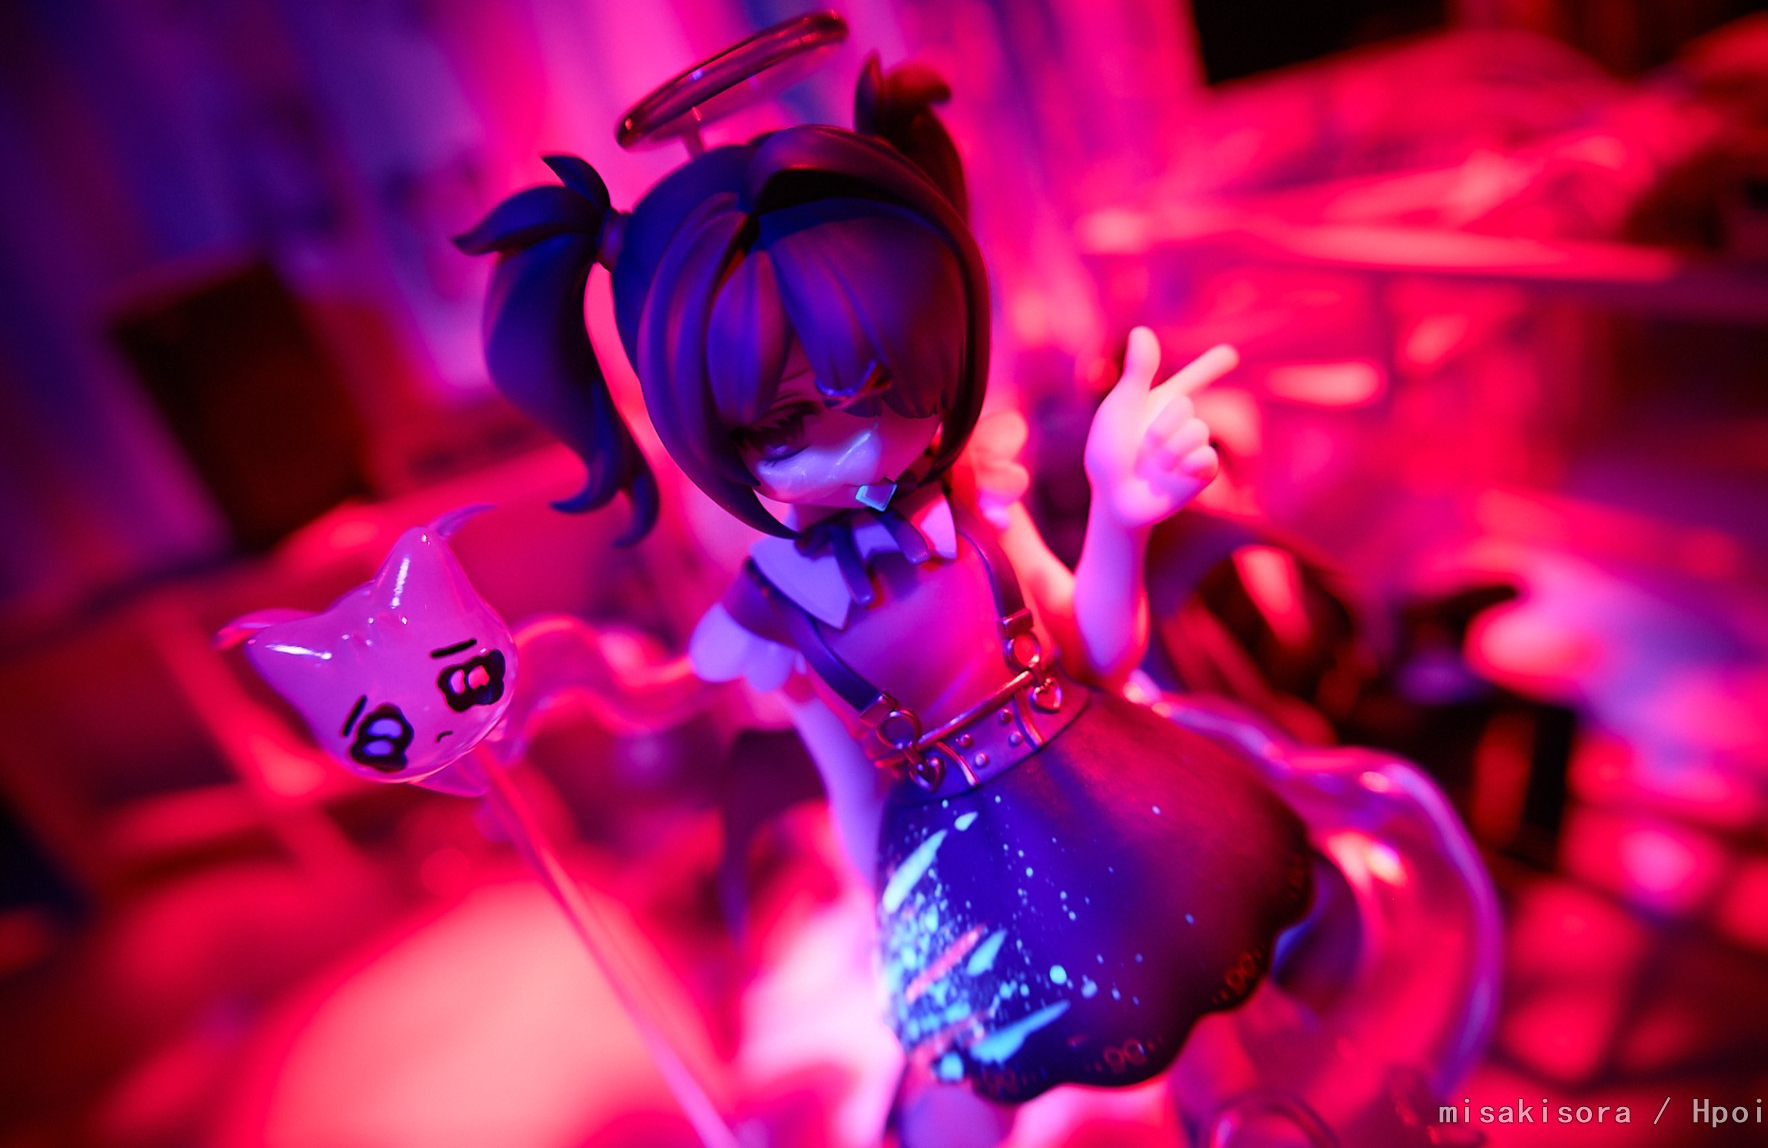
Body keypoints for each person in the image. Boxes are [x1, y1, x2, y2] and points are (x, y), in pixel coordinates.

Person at [454, 57, 1313, 1110]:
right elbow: (853, 796)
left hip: (1114, 801)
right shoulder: (781, 621)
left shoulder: (979, 508)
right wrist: (905, 923)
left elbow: (1097, 656)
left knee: (1205, 1015)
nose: (862, 445)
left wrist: (1119, 513)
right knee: (968, 1093)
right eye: (786, 425)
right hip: (958, 875)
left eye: (899, 387)